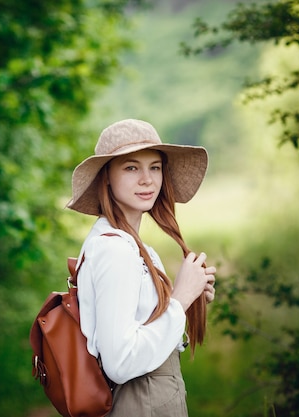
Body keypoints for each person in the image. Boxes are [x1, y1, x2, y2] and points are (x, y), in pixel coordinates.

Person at [67, 118, 216, 416]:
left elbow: (137, 330)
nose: (147, 179)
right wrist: (181, 298)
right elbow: (120, 363)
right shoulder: (115, 249)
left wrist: (185, 296)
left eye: (155, 167)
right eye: (131, 167)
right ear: (106, 177)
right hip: (140, 403)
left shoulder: (130, 245)